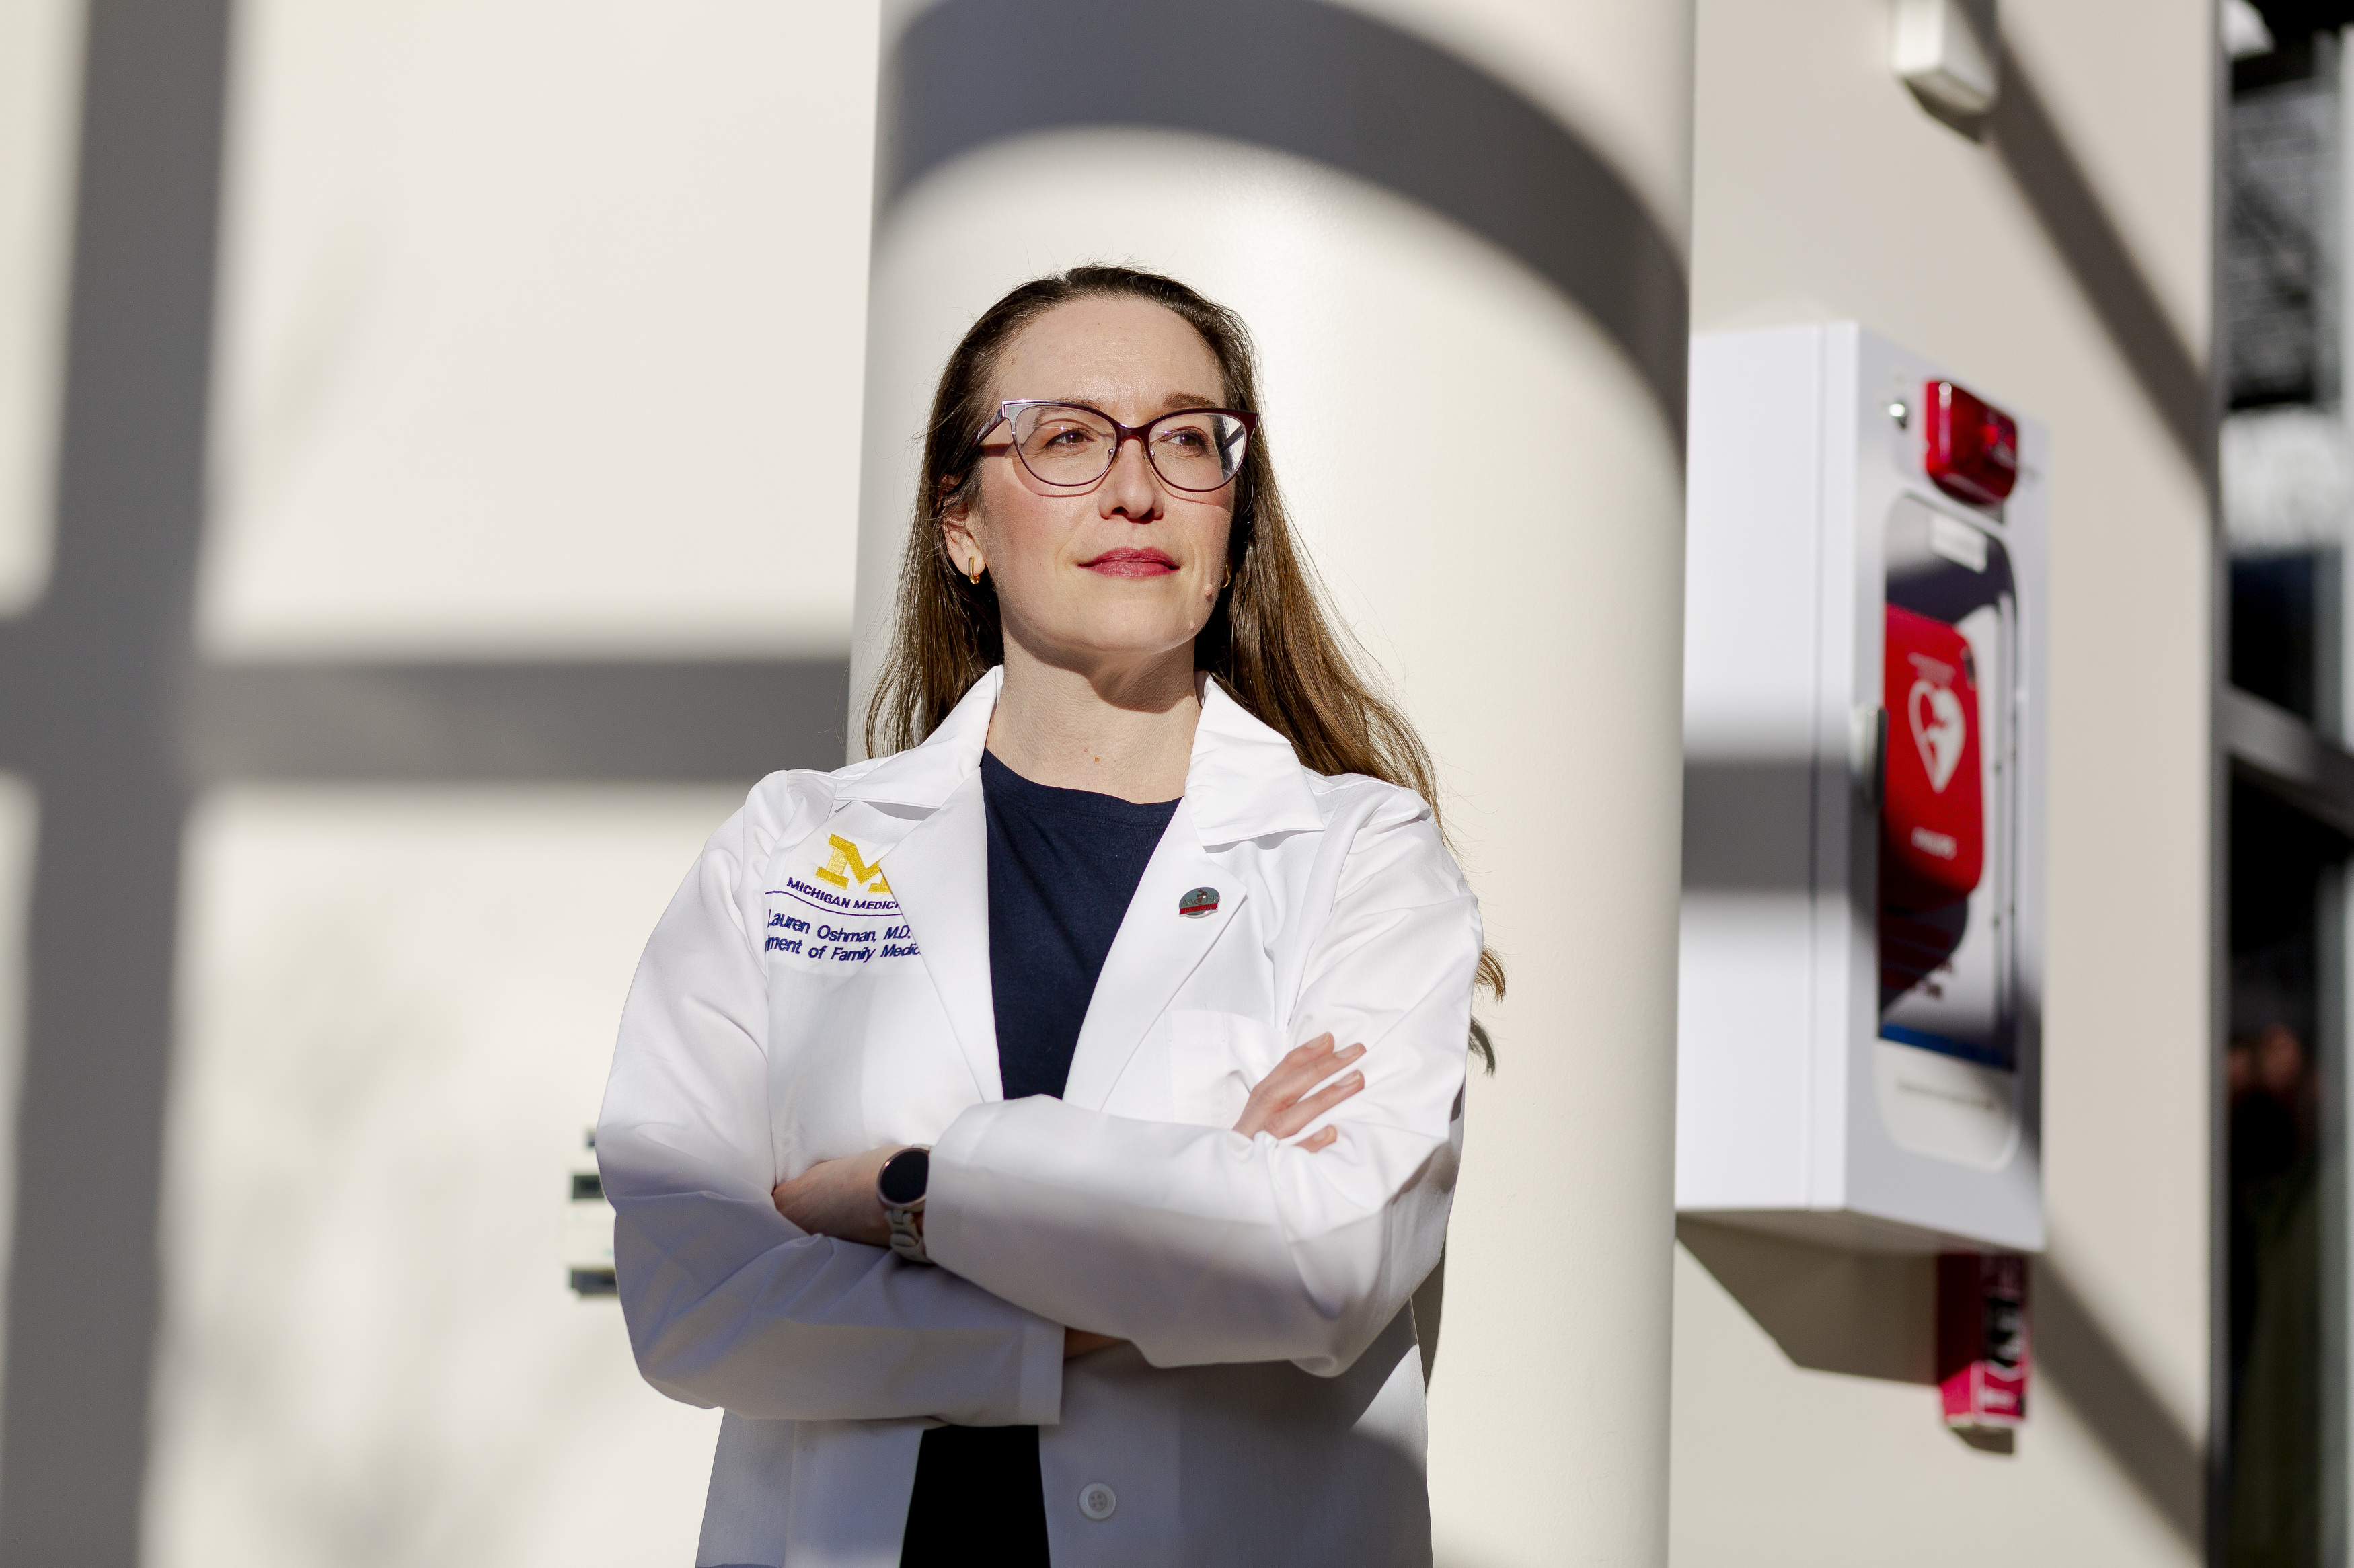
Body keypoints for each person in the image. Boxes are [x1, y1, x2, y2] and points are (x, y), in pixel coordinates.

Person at [598, 264, 1498, 1567]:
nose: (1134, 488)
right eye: (1067, 437)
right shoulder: (792, 849)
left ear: (1231, 516)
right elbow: (695, 1302)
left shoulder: (1358, 856)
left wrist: (911, 1191)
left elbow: (1326, 1257)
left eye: (1187, 439)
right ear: (960, 522)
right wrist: (1139, 1264)